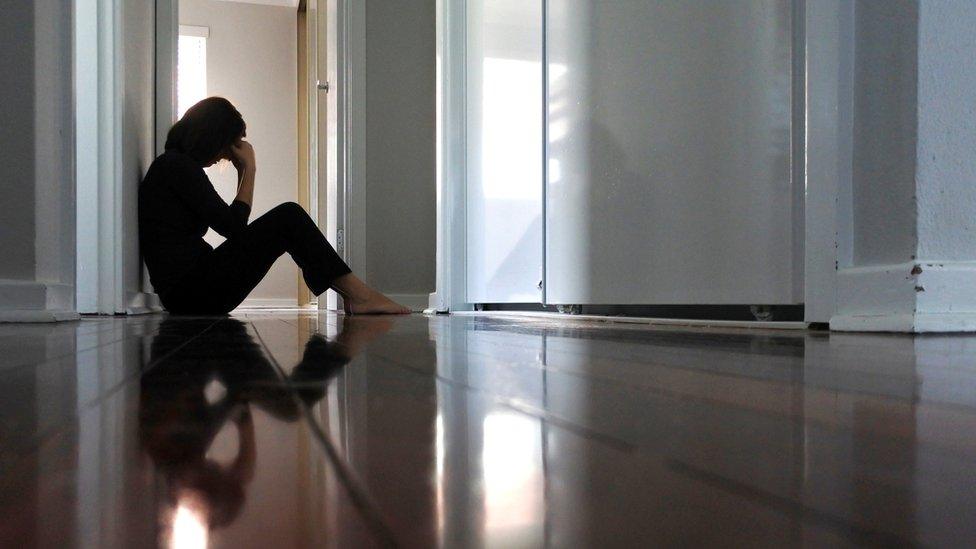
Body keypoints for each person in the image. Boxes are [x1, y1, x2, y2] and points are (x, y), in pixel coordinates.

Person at [138, 96, 409, 315]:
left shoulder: (174, 166)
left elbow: (231, 227)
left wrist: (245, 169)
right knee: (288, 217)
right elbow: (233, 227)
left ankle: (355, 295)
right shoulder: (176, 166)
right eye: (226, 147)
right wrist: (249, 168)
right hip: (191, 294)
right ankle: (359, 295)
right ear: (212, 136)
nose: (223, 156)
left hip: (191, 291)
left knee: (288, 217)